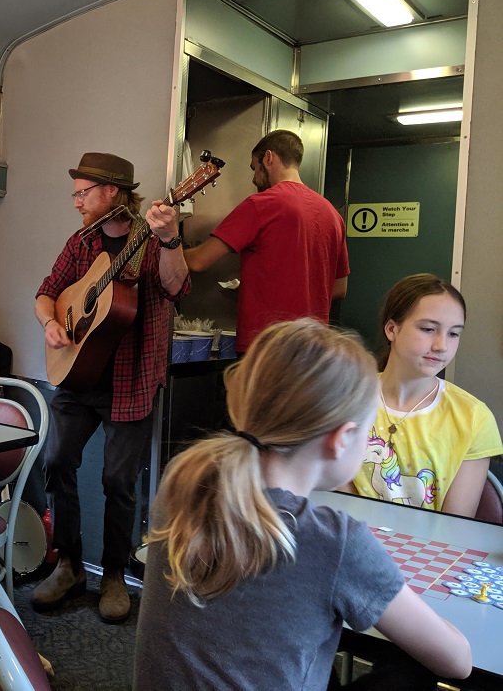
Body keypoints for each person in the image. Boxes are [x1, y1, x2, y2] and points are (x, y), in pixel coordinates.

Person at [134, 318, 472, 690]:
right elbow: (457, 661)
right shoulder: (337, 541)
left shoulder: (183, 482)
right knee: (413, 671)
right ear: (342, 439)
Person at [32, 152, 189, 623]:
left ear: (112, 194)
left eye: (83, 192)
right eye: (76, 192)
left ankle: (115, 575)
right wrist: (49, 325)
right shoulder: (79, 243)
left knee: (118, 482)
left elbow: (178, 287)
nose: (76, 201)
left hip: (132, 381)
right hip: (76, 379)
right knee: (56, 461)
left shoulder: (154, 240)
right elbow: (47, 292)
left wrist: (171, 238)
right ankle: (69, 564)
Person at [343, 273, 502, 517]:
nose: (442, 346)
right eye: (428, 329)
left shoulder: (473, 418)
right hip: (354, 543)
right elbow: (338, 504)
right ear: (392, 329)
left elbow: (455, 525)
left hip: (426, 551)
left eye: (454, 333)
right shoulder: (343, 398)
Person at [183, 130, 349, 354]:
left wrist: (168, 247)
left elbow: (198, 262)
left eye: (254, 168)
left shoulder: (261, 204)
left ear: (268, 157)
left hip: (267, 349)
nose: (254, 179)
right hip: (314, 350)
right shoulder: (333, 215)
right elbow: (339, 288)